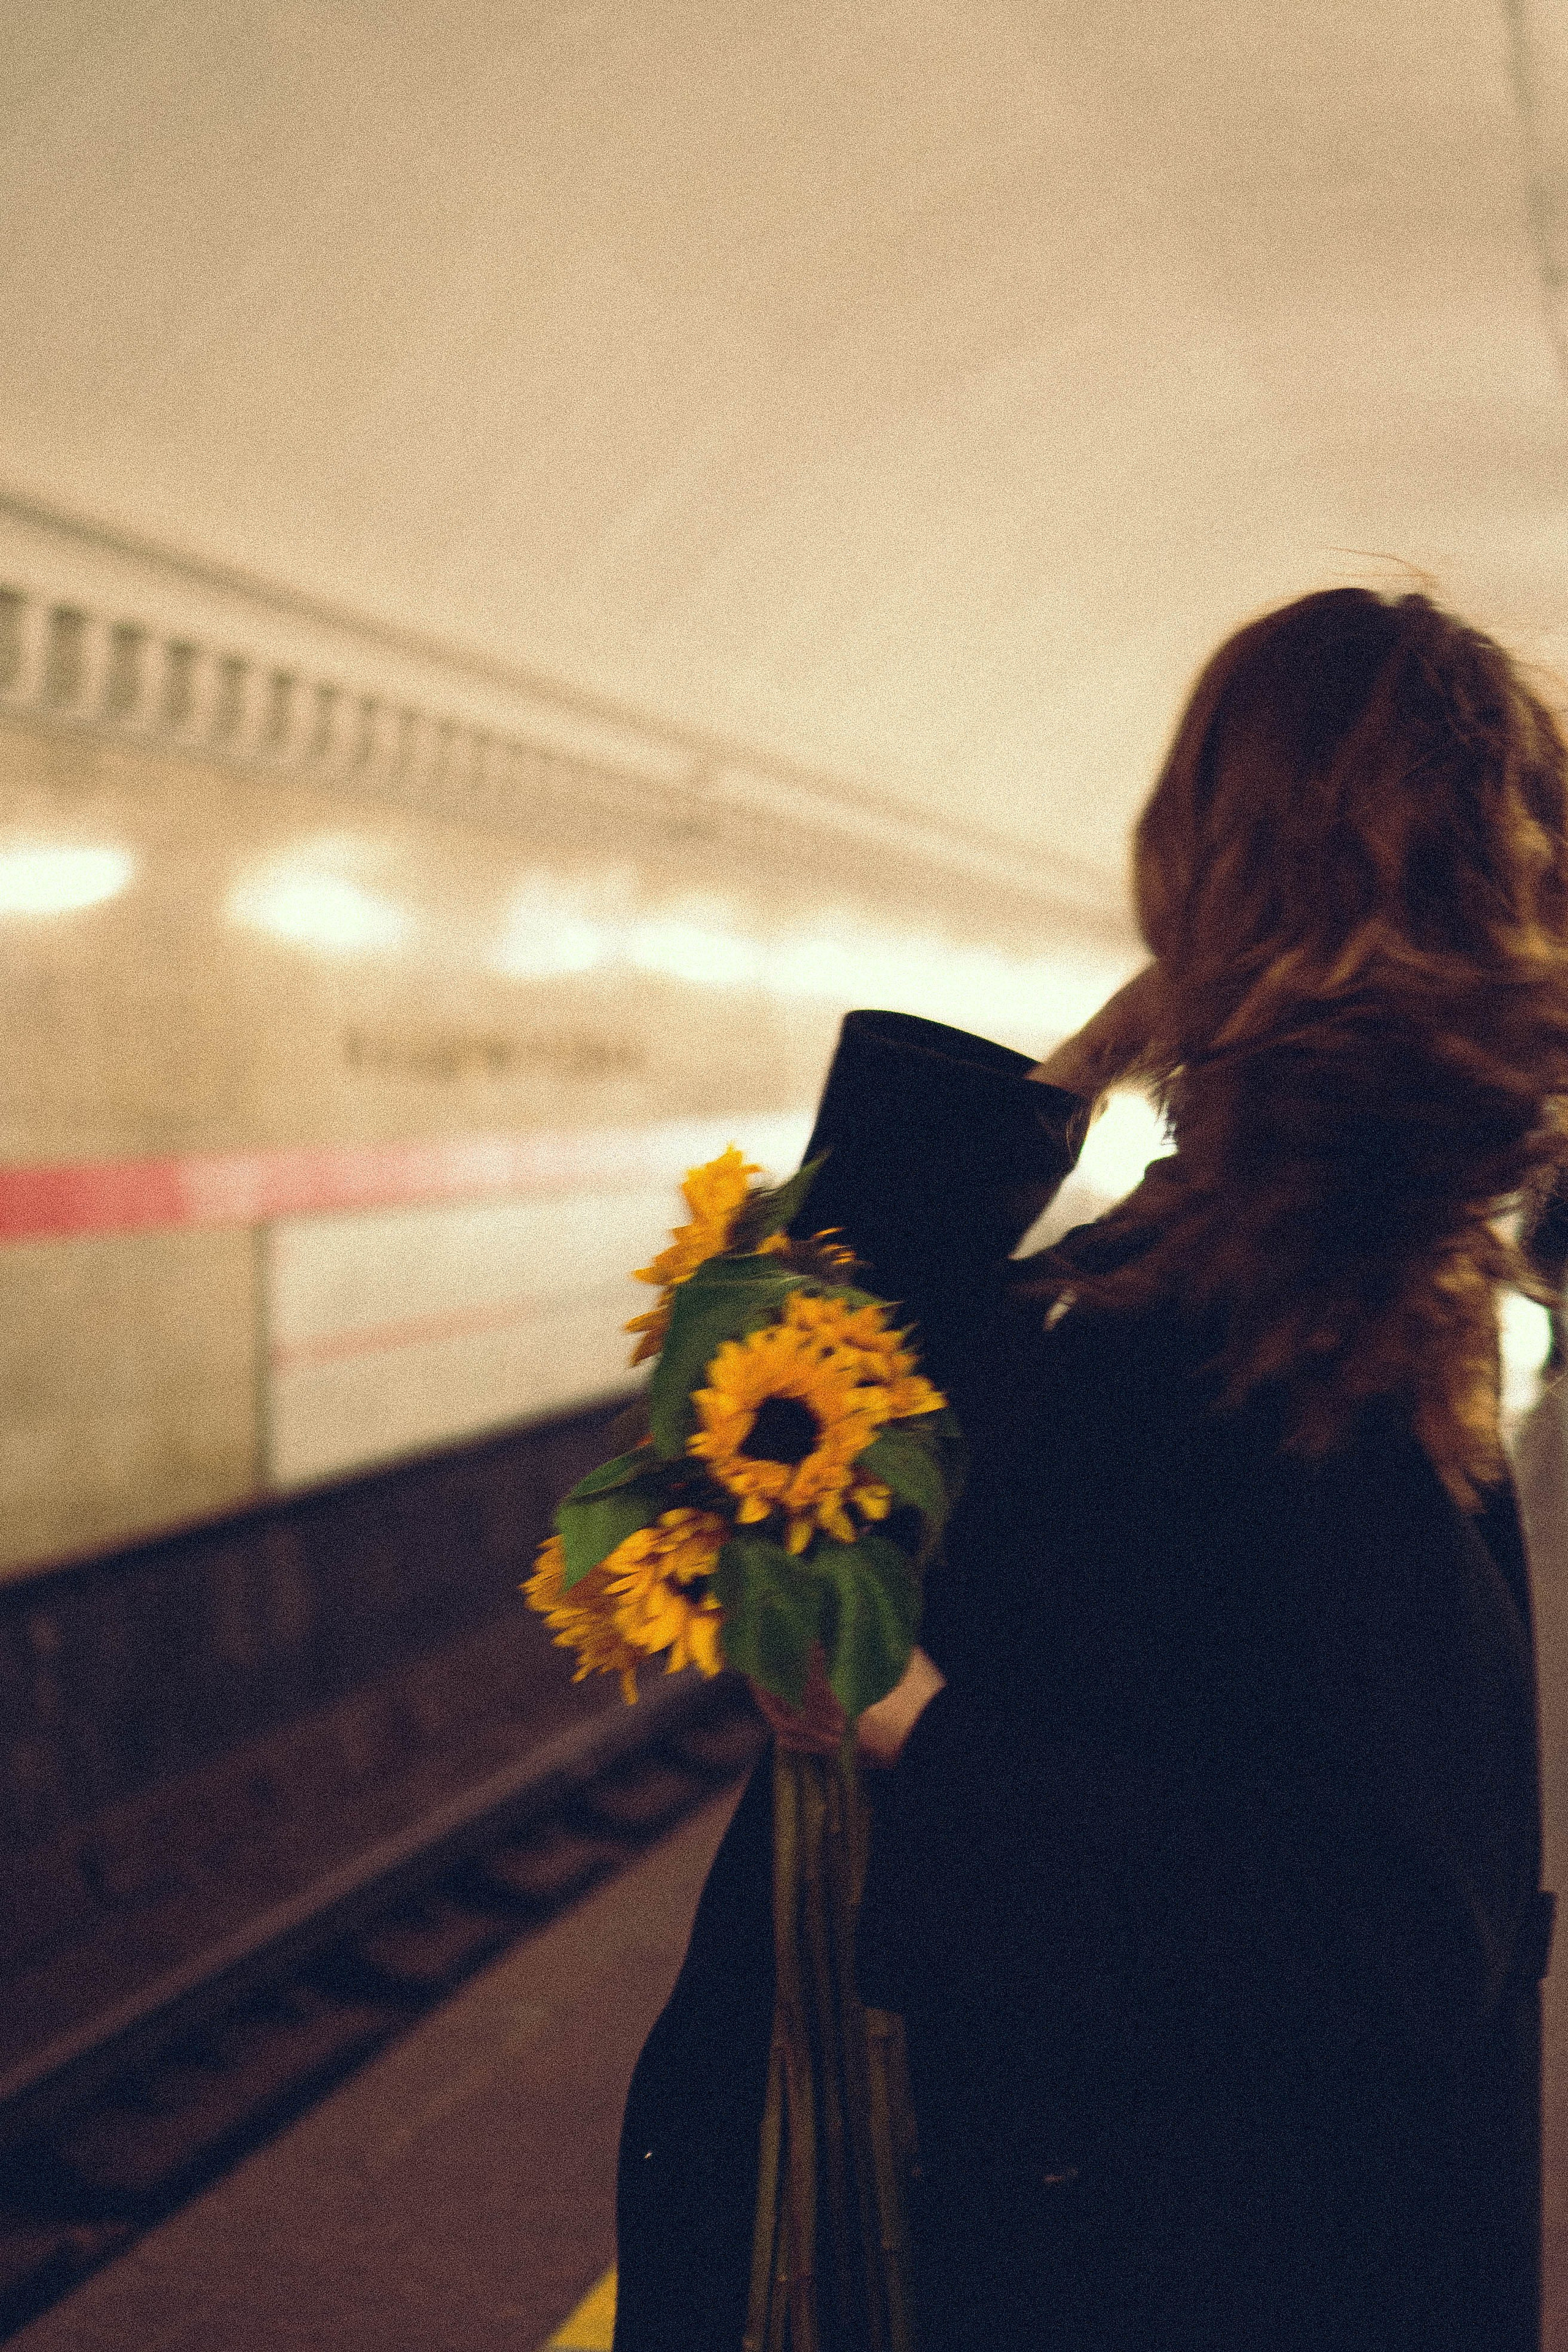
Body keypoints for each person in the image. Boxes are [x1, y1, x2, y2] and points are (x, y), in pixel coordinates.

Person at [611, 587, 1566, 2351]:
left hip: (1137, 2250)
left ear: (1196, 850)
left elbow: (1396, 1935)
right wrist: (1090, 1062)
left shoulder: (1313, 1305)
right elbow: (779, 1400)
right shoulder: (1227, 1243)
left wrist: (906, 1713)